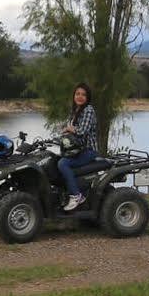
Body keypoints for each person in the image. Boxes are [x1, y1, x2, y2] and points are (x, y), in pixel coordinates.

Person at [58, 82, 98, 211]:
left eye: (83, 95)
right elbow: (68, 130)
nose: (80, 97)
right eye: (77, 94)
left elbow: (82, 131)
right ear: (74, 95)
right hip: (76, 150)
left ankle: (76, 195)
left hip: (88, 150)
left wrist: (70, 129)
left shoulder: (88, 110)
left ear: (88, 97)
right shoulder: (75, 110)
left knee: (63, 164)